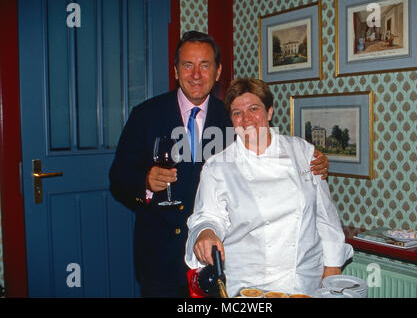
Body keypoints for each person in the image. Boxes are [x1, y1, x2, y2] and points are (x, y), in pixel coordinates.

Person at [109, 31, 329, 297]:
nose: (196, 74)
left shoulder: (233, 116)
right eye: (188, 65)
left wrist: (312, 160)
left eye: (205, 65)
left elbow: (271, 152)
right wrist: (144, 182)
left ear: (217, 71)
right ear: (176, 70)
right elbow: (118, 177)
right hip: (162, 256)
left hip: (221, 259)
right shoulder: (146, 115)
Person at [185, 78, 353, 297]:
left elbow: (326, 217)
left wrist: (332, 271)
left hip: (303, 283)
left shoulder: (303, 152)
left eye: (254, 108)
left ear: (270, 111)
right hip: (248, 288)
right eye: (237, 113)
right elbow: (208, 217)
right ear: (231, 120)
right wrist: (206, 232)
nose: (246, 119)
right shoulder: (217, 167)